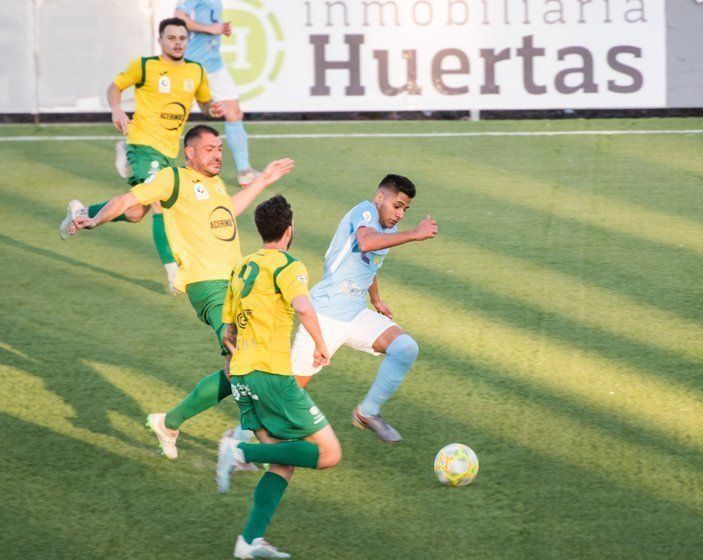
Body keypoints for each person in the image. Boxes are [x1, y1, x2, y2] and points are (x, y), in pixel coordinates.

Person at [69, 124, 295, 463]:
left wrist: (263, 179)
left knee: (236, 367)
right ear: (189, 152)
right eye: (209, 149)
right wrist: (96, 218)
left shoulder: (214, 184)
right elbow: (128, 201)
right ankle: (263, 448)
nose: (218, 154)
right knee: (245, 353)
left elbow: (227, 212)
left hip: (235, 287)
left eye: (220, 148)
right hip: (208, 286)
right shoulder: (172, 179)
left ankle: (169, 423)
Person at [59, 17, 225, 292]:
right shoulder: (146, 66)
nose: (177, 43)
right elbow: (114, 87)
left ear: (187, 41)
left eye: (182, 38)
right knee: (161, 203)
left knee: (136, 212)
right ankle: (174, 275)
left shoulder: (196, 71)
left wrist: (212, 110)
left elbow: (205, 104)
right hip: (144, 143)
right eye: (171, 38)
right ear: (160, 41)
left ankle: (82, 213)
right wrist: (116, 109)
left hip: (170, 150)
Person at [217, 194, 341, 559]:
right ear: (289, 231)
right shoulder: (289, 265)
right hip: (272, 376)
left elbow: (228, 331)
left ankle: (248, 542)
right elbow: (302, 305)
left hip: (241, 376)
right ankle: (239, 450)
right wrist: (321, 344)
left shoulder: (242, 267)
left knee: (283, 462)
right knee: (328, 453)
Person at [288, 174, 437, 444]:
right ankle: (240, 441)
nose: (401, 214)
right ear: (380, 198)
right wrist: (415, 234)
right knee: (288, 392)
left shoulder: (387, 229)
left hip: (355, 314)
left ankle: (367, 413)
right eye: (397, 205)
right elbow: (367, 242)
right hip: (324, 316)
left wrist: (376, 300)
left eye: (405, 209)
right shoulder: (364, 211)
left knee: (405, 348)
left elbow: (369, 265)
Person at [174, 0, 259, 186]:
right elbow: (178, 18)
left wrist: (219, 29)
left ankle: (244, 171)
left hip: (215, 65)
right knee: (173, 117)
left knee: (234, 113)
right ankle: (131, 147)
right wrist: (210, 28)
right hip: (191, 65)